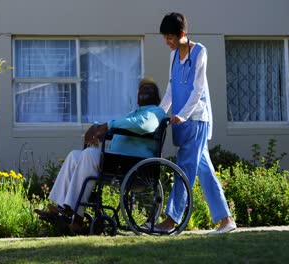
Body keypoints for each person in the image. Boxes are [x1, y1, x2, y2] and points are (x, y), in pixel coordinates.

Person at [34, 78, 168, 231]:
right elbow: (125, 125)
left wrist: (108, 125)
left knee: (90, 154)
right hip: (117, 161)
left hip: (132, 166)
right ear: (137, 97)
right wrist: (97, 128)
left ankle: (75, 214)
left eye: (150, 88)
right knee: (74, 156)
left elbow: (143, 125)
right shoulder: (135, 113)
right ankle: (61, 207)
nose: (145, 90)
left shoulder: (155, 112)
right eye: (142, 88)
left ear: (157, 97)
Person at [156, 12, 236, 234]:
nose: (167, 41)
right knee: (204, 168)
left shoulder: (200, 52)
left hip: (197, 118)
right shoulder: (173, 56)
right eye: (165, 37)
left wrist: (183, 114)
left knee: (184, 167)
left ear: (182, 34)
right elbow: (171, 89)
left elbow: (198, 89)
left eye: (170, 37)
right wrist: (158, 113)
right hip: (181, 121)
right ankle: (226, 220)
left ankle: (172, 220)